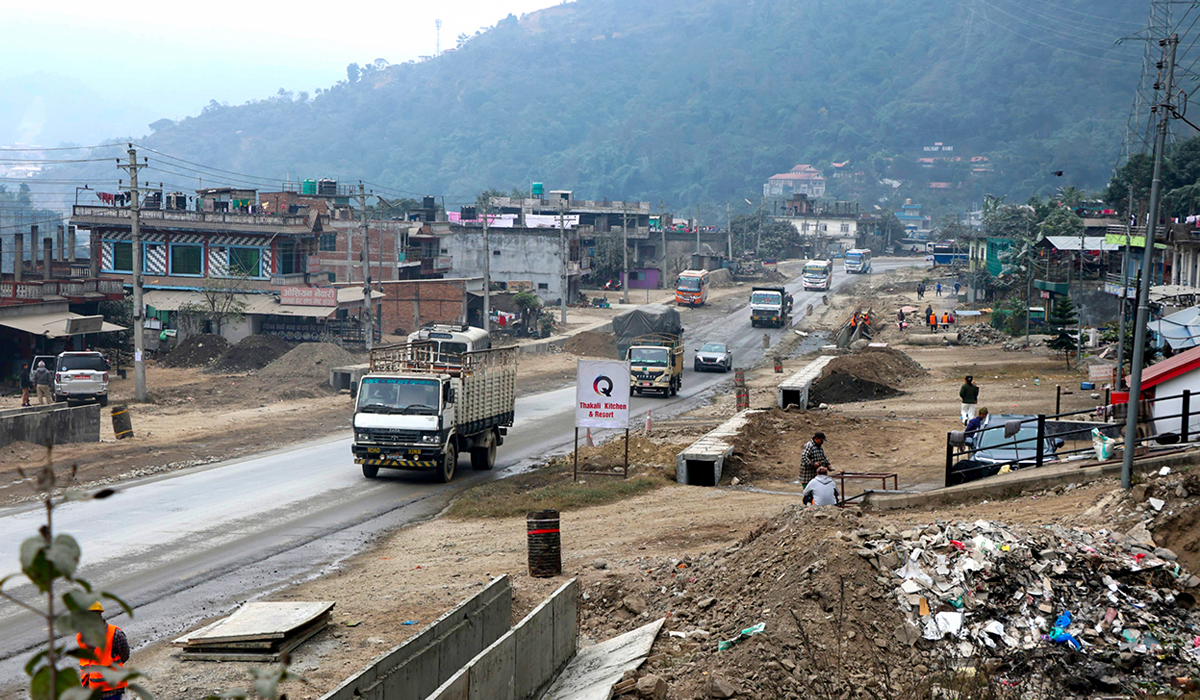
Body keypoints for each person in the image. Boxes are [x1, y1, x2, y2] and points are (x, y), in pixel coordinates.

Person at [78, 602, 129, 699]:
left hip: (113, 690)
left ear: (99, 614)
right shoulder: (81, 637)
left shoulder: (115, 634)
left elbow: (124, 655)